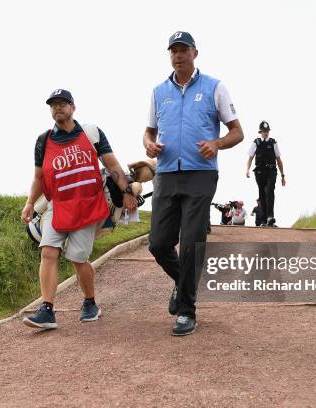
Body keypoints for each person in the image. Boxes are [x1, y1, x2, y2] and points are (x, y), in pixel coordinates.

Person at [144, 31, 244, 336]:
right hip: (166, 174)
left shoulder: (214, 87)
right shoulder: (159, 92)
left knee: (190, 243)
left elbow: (237, 132)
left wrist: (216, 143)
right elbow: (148, 132)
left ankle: (187, 311)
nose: (178, 55)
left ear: (195, 53)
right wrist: (149, 145)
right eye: (173, 50)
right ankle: (183, 283)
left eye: (183, 49)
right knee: (159, 244)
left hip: (201, 174)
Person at [21, 89, 137, 330]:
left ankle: (90, 302)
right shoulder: (43, 141)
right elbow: (38, 178)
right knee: (48, 252)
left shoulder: (91, 133)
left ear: (73, 107)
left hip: (87, 207)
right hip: (57, 206)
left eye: (63, 104)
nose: (58, 108)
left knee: (78, 259)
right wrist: (30, 202)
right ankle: (47, 310)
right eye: (53, 105)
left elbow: (111, 164)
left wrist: (126, 192)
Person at [246, 121, 285, 227]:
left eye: (267, 131)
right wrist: (248, 169)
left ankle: (270, 217)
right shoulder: (256, 142)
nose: (266, 133)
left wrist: (282, 175)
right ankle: (263, 220)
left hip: (271, 171)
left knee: (269, 190)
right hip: (259, 172)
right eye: (264, 131)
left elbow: (279, 160)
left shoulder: (273, 143)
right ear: (260, 132)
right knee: (262, 194)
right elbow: (250, 157)